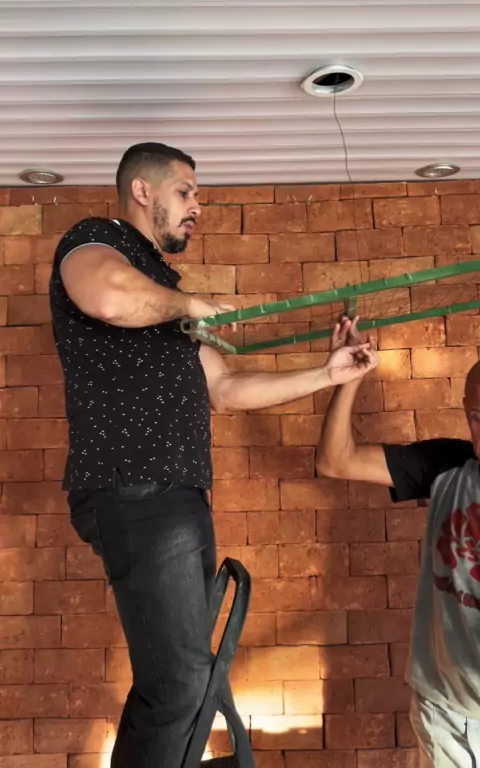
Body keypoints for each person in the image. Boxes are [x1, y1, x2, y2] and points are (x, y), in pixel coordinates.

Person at [48, 142, 378, 768]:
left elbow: (225, 388)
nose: (197, 205)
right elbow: (108, 298)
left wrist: (327, 375)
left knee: (175, 684)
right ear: (142, 191)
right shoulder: (94, 241)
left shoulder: (162, 296)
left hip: (174, 495)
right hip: (137, 489)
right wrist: (193, 305)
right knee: (181, 687)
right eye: (185, 192)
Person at [316, 315, 480, 768]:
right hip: (447, 714)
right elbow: (336, 460)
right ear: (466, 410)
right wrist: (349, 378)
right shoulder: (448, 466)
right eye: (478, 418)